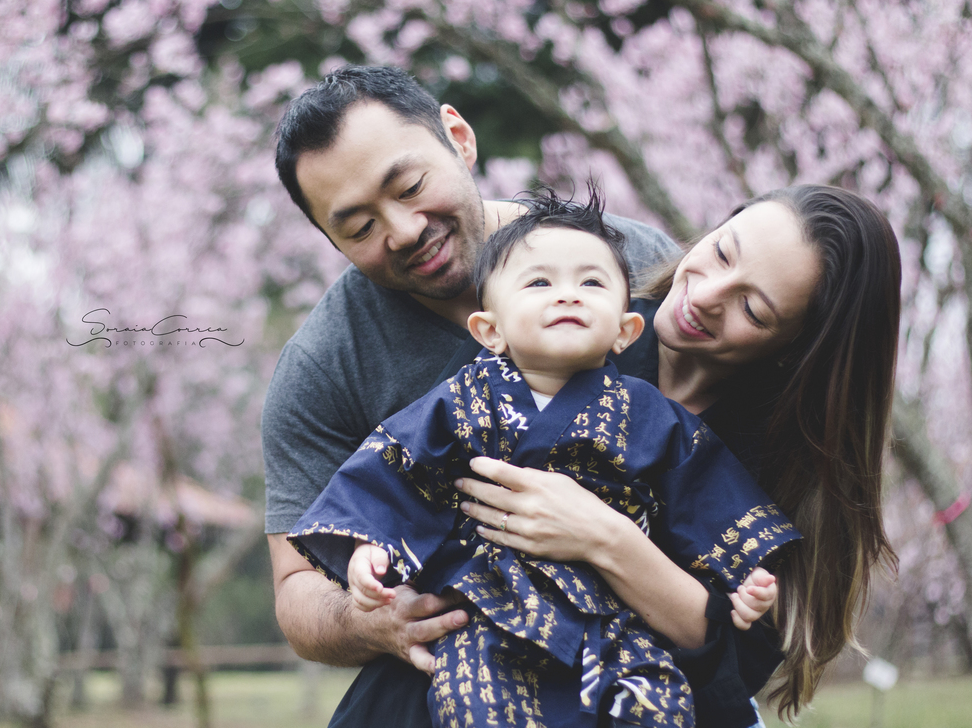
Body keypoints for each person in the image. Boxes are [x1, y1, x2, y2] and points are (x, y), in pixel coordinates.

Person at [264, 65, 899, 726]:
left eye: (410, 185)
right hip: (454, 674)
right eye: (358, 226)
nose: (401, 229)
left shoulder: (632, 272)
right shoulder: (327, 365)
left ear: (457, 136)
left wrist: (608, 539)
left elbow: (745, 641)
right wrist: (373, 607)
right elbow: (303, 584)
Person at [288, 192, 798, 728]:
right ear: (489, 331)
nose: (568, 297)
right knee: (474, 705)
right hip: (488, 616)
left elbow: (706, 494)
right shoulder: (459, 400)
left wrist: (746, 570)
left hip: (612, 624)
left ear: (626, 331)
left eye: (592, 284)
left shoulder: (654, 417)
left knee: (660, 703)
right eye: (539, 283)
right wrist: (369, 550)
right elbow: (398, 470)